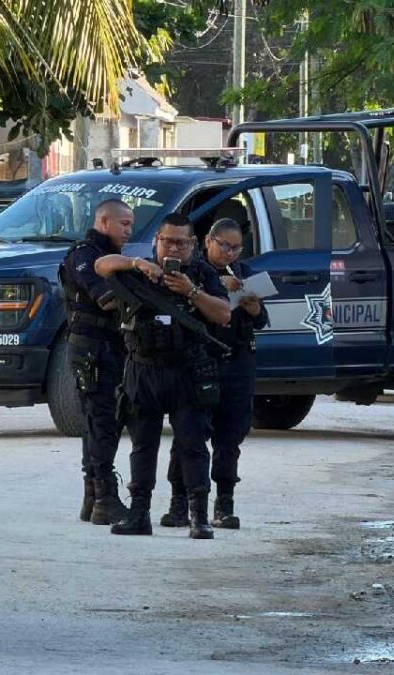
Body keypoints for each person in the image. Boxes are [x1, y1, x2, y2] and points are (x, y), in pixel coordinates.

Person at [95, 213, 231, 539]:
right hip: (143, 369)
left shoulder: (201, 274)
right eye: (167, 241)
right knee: (143, 446)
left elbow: (224, 314)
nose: (173, 248)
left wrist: (191, 292)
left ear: (193, 244)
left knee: (193, 446)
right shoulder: (140, 269)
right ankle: (139, 514)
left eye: (181, 243)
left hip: (187, 371)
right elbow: (101, 265)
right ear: (157, 239)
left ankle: (199, 517)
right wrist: (136, 264)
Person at [161, 218, 268, 529]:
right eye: (223, 246)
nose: (229, 253)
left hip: (238, 361)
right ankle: (180, 503)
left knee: (230, 436)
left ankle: (225, 503)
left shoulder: (244, 273)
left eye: (235, 248)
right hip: (201, 360)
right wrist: (218, 287)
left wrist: (253, 308)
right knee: (189, 435)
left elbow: (261, 321)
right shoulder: (192, 271)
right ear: (208, 241)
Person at [59, 199, 133, 525]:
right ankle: (104, 496)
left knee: (101, 420)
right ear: (104, 222)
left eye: (131, 225)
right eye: (124, 224)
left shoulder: (107, 255)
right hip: (92, 349)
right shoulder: (86, 255)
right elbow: (105, 299)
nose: (129, 231)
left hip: (107, 347)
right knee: (102, 420)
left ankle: (94, 497)